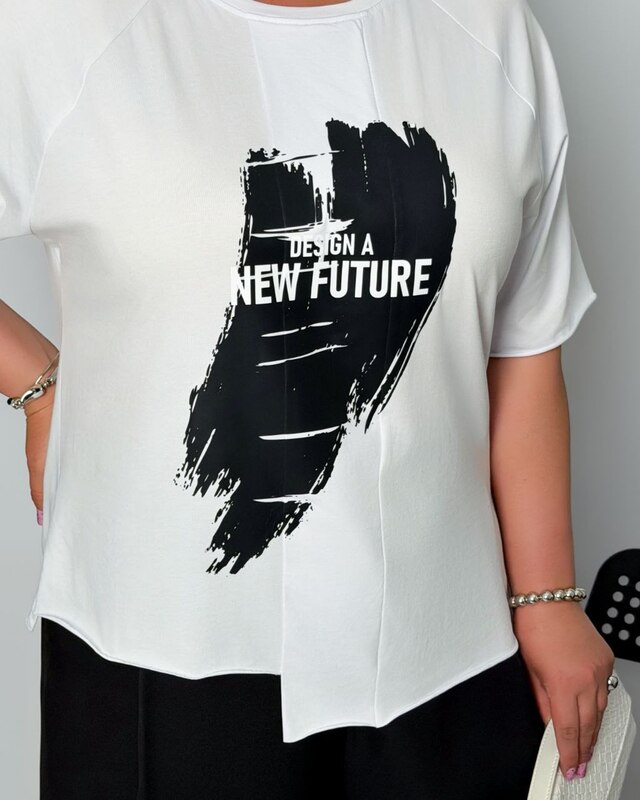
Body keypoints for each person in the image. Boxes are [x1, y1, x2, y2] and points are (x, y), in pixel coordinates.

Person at [0, 0, 616, 797]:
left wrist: (547, 597)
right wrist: (39, 386)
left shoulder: (487, 27)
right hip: (166, 650)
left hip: (448, 653)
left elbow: (525, 338)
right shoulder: (63, 27)